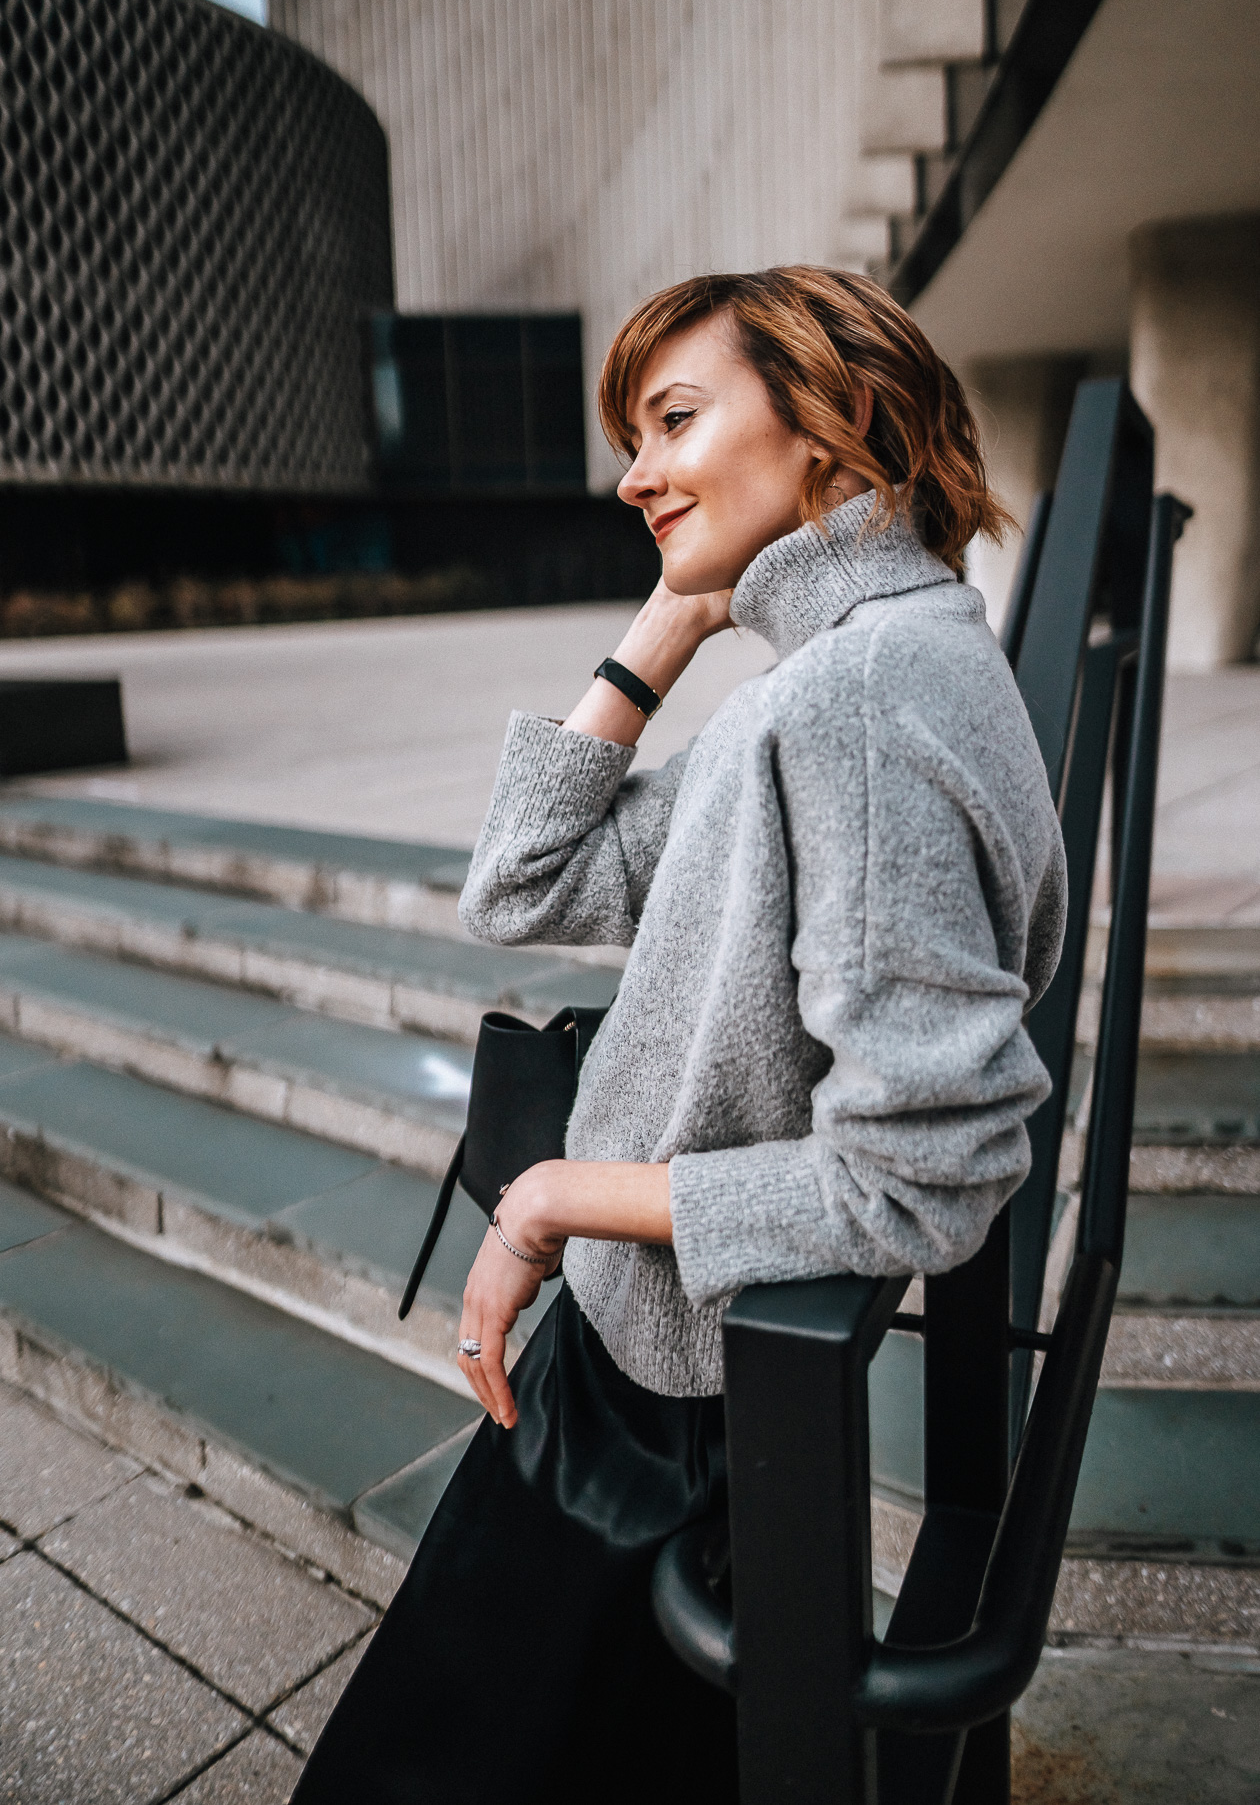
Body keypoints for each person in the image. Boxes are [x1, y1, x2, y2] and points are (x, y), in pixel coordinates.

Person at [292, 266, 1066, 1802]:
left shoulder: (847, 706)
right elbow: (524, 879)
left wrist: (566, 1195)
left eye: (675, 419)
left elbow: (931, 1172)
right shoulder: (868, 667)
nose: (631, 472)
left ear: (836, 422)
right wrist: (680, 611)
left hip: (674, 1394)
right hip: (686, 1369)